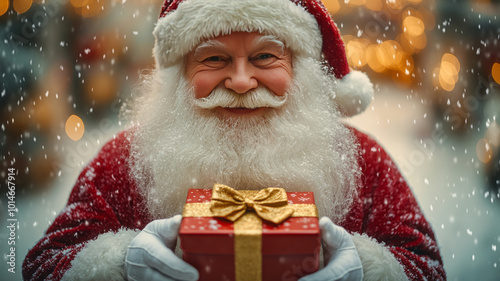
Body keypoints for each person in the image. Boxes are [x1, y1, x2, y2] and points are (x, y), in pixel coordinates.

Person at [23, 0, 446, 280]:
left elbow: (426, 266)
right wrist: (117, 265)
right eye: (214, 58)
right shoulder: (126, 160)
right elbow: (44, 264)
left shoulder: (360, 159)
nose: (242, 81)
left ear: (298, 68)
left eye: (265, 56)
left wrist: (372, 271)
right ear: (182, 73)